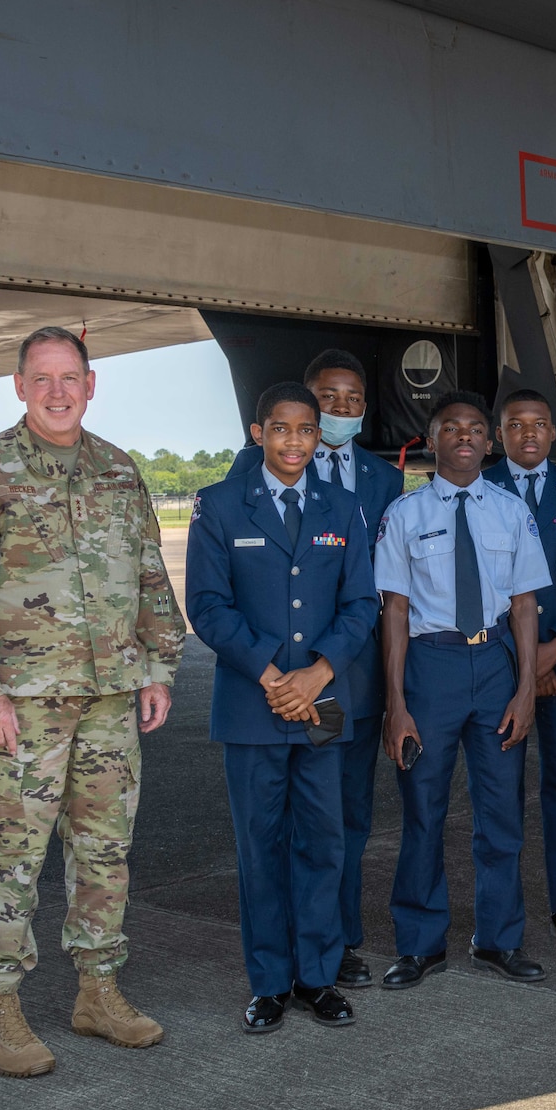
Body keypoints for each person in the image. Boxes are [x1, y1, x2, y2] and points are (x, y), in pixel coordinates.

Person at [0, 325, 183, 1078]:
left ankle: (97, 991)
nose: (59, 391)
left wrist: (158, 665)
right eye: (43, 378)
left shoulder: (118, 471)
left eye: (71, 377)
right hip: (19, 705)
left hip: (108, 700)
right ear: (20, 385)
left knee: (106, 853)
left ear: (91, 385)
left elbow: (149, 577)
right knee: (10, 857)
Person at [187, 382, 379, 1032]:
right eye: (281, 429)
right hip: (252, 705)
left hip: (322, 703)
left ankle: (318, 977)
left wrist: (318, 672)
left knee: (324, 840)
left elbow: (362, 604)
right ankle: (269, 981)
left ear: (316, 433)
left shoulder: (343, 507)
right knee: (260, 845)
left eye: (305, 429)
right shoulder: (218, 506)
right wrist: (274, 675)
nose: (293, 441)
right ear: (257, 432)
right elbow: (208, 606)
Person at [230, 350, 405, 990]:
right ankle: (284, 967)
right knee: (277, 829)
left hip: (342, 688)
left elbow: (373, 589)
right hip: (273, 686)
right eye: (325, 398)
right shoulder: (250, 472)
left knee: (340, 816)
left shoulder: (384, 481)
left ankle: (338, 942)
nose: (337, 410)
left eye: (351, 399)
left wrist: (326, 672)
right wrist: (278, 675)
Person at [376, 390, 551, 988]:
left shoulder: (510, 512)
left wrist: (526, 690)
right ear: (432, 439)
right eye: (452, 428)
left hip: (495, 666)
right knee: (423, 810)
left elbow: (526, 607)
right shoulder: (405, 516)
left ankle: (498, 939)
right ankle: (420, 943)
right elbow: (395, 612)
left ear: (490, 441)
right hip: (431, 669)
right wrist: (396, 704)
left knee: (500, 813)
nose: (467, 437)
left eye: (477, 428)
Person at [484, 390, 556, 951]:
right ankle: (502, 915)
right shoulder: (478, 490)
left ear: (555, 433)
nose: (528, 434)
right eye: (515, 425)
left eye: (539, 425)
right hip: (501, 671)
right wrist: (526, 663)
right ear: (498, 434)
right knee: (501, 794)